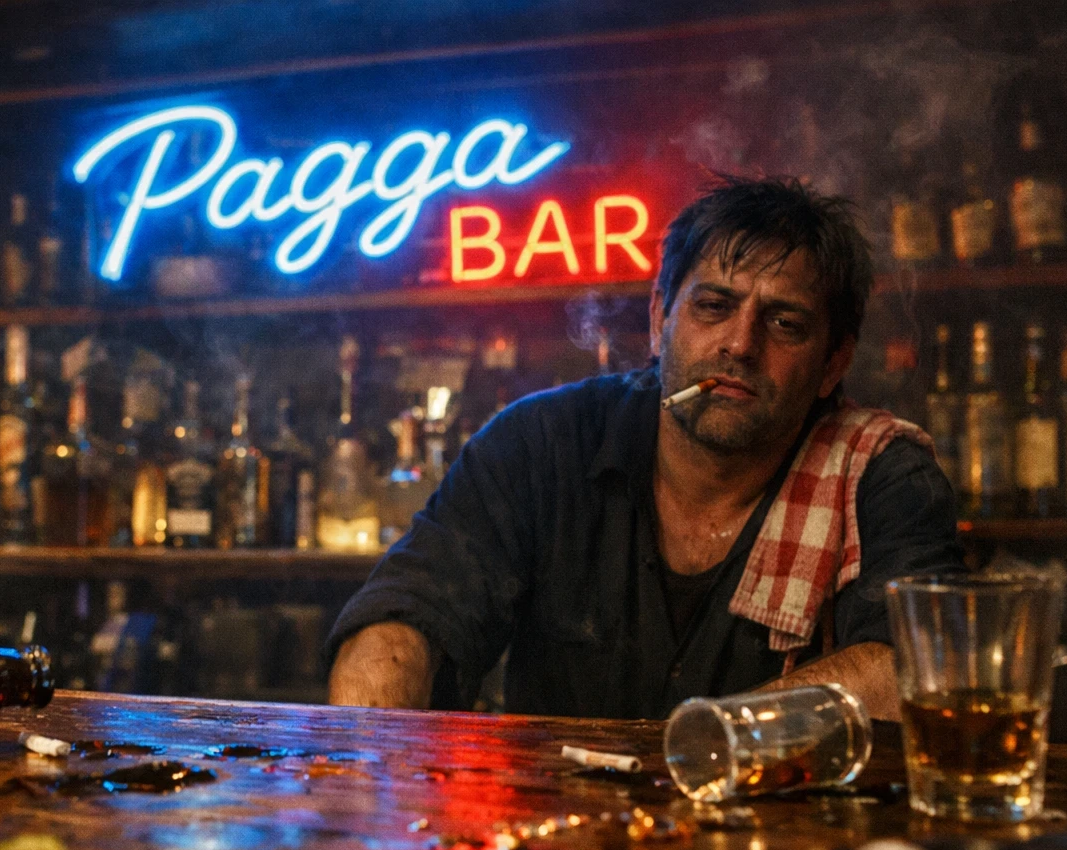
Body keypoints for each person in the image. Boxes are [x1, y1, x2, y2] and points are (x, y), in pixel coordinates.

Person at [325, 175, 963, 721]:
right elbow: (402, 618)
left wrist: (702, 745)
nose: (740, 345)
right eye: (713, 306)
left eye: (784, 323)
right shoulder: (540, 444)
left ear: (833, 365)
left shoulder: (882, 475)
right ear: (660, 319)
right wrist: (366, 776)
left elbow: (910, 667)